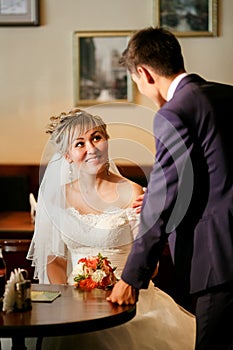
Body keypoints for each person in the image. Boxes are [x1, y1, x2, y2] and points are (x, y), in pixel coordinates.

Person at [16, 108, 195, 350]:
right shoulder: (56, 198)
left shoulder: (133, 193)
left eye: (97, 138)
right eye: (79, 143)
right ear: (67, 155)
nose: (91, 148)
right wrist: (70, 302)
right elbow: (55, 261)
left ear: (107, 141)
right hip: (73, 304)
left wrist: (122, 285)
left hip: (127, 300)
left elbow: (151, 265)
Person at [107, 27, 233, 350]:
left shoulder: (174, 112)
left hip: (221, 262)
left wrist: (131, 277)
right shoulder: (224, 94)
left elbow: (162, 199)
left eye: (136, 83)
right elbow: (218, 172)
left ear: (144, 74)